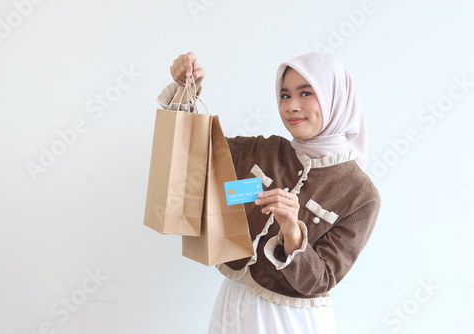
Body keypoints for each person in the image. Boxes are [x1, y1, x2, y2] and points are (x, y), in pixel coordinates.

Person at [160, 52, 381, 334]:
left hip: (292, 321)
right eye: (285, 95)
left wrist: (292, 233)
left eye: (306, 93)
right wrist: (185, 90)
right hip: (233, 305)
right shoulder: (263, 151)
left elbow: (322, 279)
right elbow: (194, 156)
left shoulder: (360, 194)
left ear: (335, 97)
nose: (292, 106)